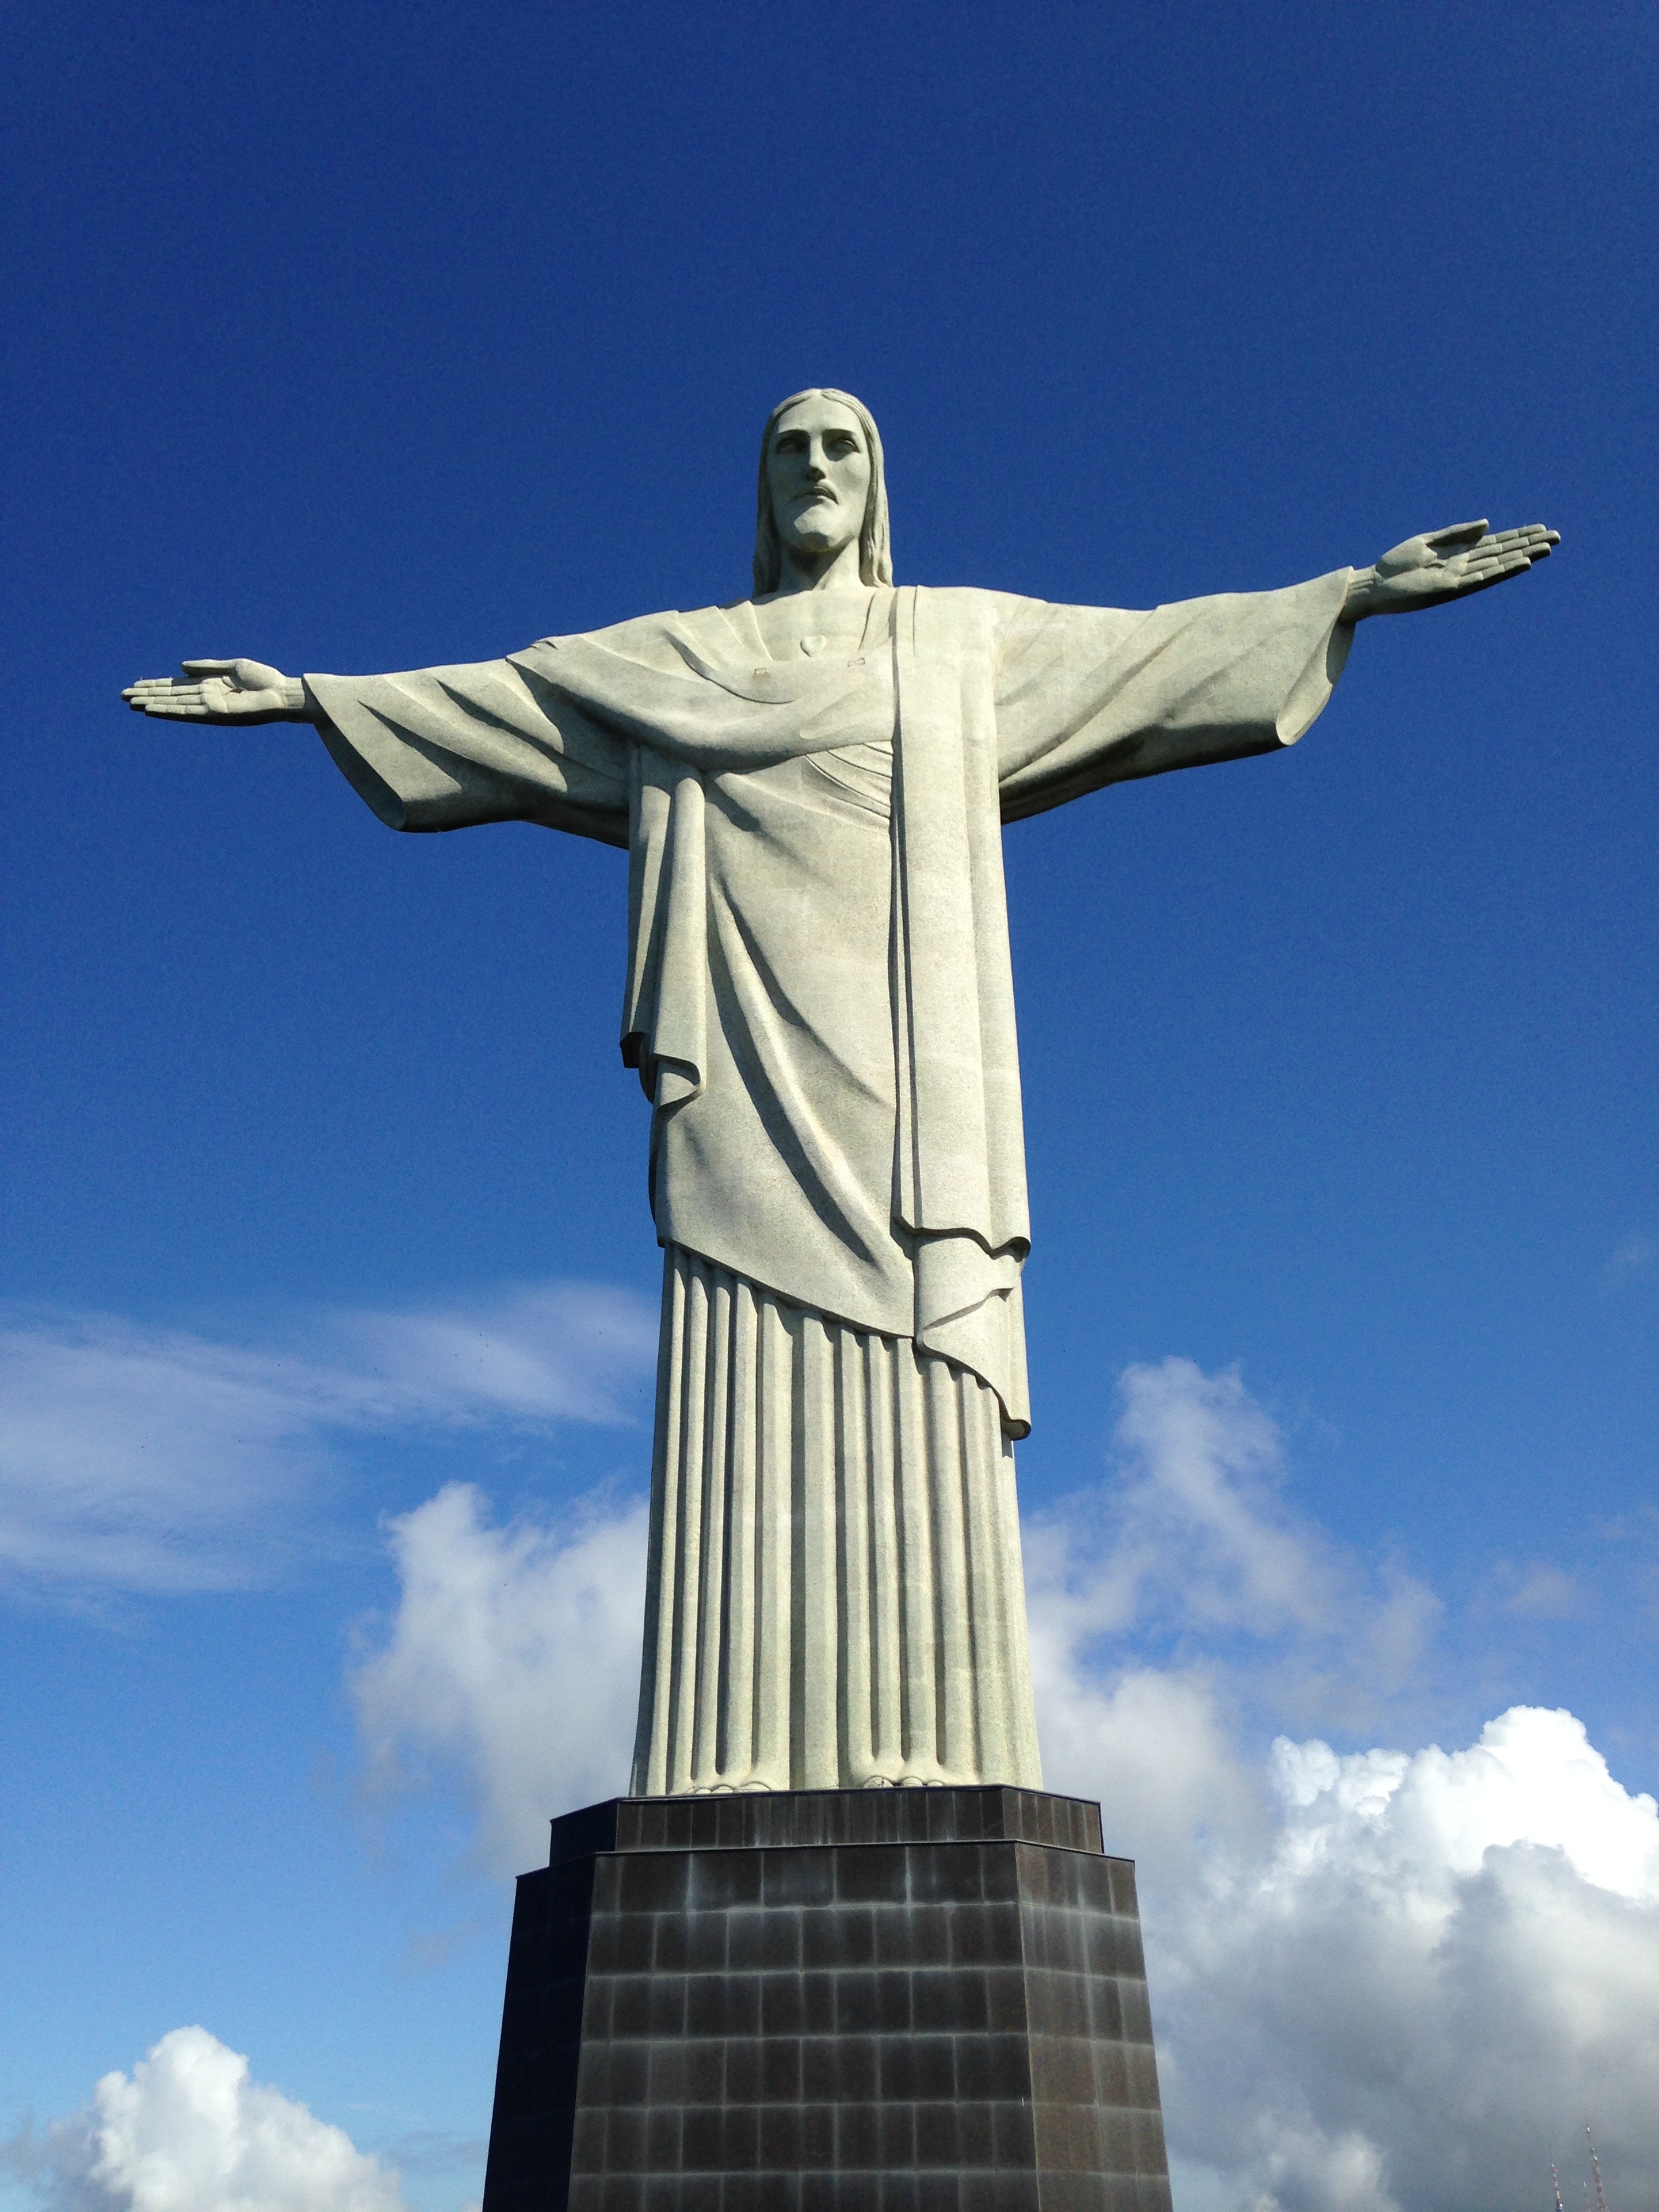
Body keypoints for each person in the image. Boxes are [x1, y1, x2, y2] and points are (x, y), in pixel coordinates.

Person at [125, 388, 1556, 1798]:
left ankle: (935, 1750)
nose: (816, 467)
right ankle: (719, 1755)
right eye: (790, 449)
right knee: (744, 1371)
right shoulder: (676, 658)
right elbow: (509, 700)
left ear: (879, 481)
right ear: (761, 489)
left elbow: (1152, 657)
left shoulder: (955, 639)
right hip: (743, 1058)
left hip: (913, 1074)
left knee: (916, 1379)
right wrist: (317, 696)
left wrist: (1350, 594)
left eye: (843, 447)